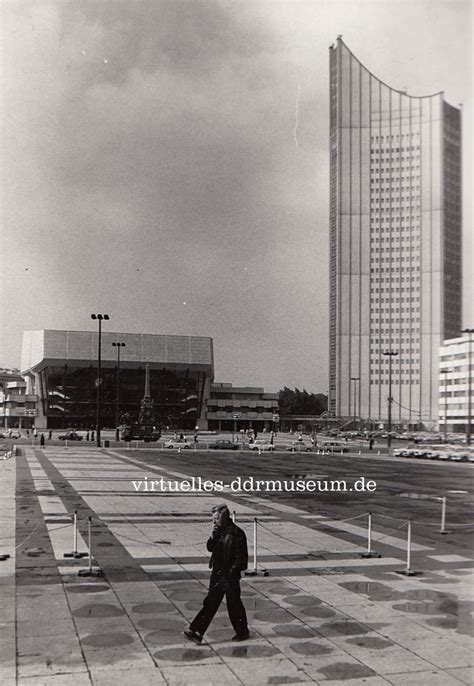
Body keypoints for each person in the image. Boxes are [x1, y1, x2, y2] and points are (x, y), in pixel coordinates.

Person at [184, 504, 249, 645]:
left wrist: (230, 574)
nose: (214, 522)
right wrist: (213, 537)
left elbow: (241, 559)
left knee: (234, 605)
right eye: (213, 519)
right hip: (217, 573)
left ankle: (242, 632)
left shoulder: (237, 533)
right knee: (210, 602)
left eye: (216, 519)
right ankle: (196, 631)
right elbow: (210, 548)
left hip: (229, 576)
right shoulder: (219, 531)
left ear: (224, 517)